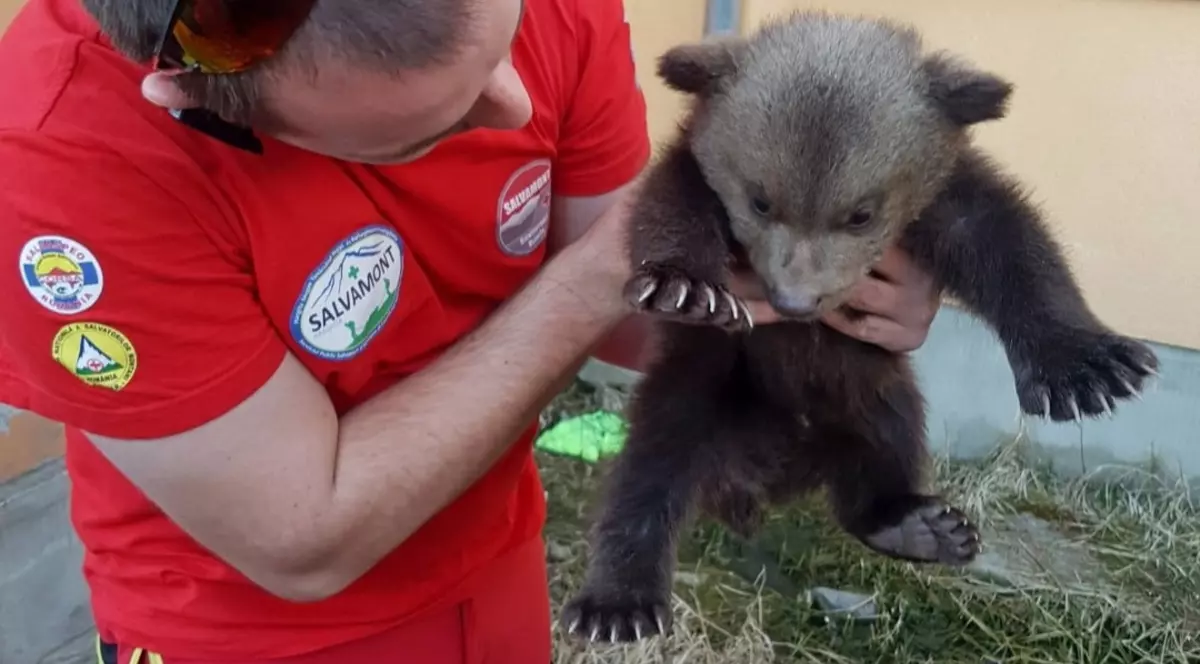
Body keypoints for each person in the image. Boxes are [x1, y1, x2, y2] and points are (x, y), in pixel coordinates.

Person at [0, 0, 943, 662]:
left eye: (506, 44)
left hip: (496, 560)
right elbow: (302, 538)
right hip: (247, 632)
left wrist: (835, 311)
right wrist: (591, 285)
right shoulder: (60, 166)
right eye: (433, 126)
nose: (516, 107)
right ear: (196, 99)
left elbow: (634, 329)